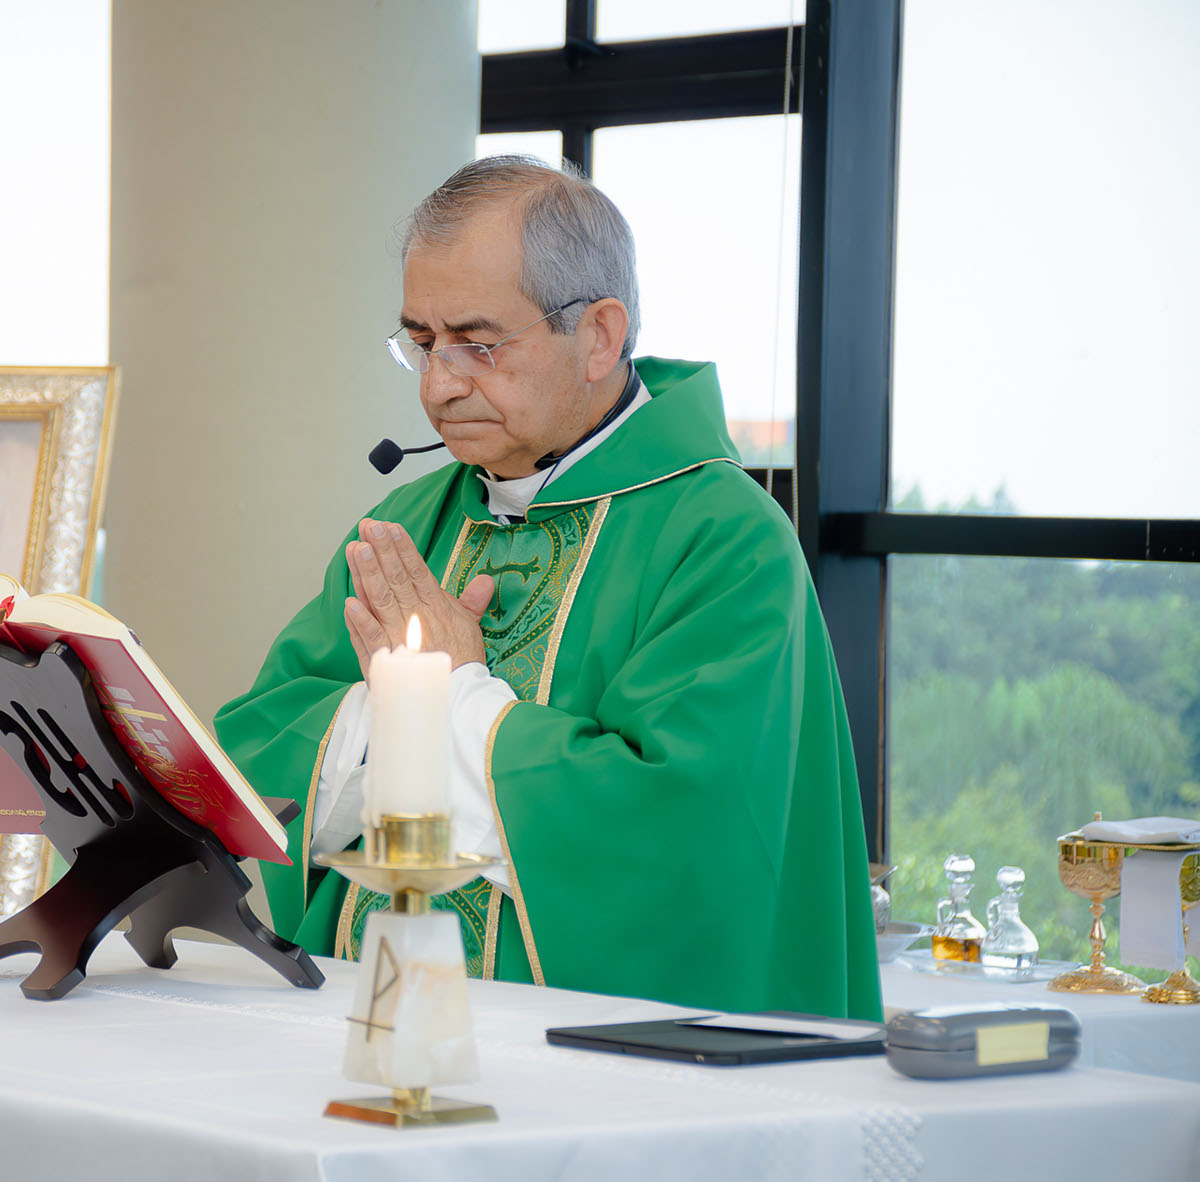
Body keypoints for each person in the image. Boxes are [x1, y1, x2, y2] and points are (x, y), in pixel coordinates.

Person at [213, 156, 880, 1020]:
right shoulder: (411, 525)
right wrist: (386, 720)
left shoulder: (724, 538)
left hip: (609, 1055)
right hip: (370, 1017)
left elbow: (681, 833)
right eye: (421, 342)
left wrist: (446, 698)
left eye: (479, 345)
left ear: (600, 336)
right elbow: (258, 751)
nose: (439, 385)